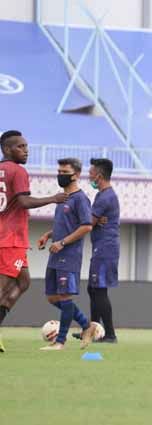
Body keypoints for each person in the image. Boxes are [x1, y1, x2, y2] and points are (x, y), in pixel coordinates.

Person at [0, 130, 68, 352]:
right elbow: (23, 201)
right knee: (3, 288)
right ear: (7, 149)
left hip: (9, 236)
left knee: (23, 282)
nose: (26, 150)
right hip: (10, 238)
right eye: (20, 146)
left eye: (26, 146)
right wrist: (53, 198)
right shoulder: (17, 170)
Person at [37, 158, 96, 350]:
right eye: (59, 172)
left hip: (68, 255)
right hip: (55, 253)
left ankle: (60, 341)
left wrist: (62, 243)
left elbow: (86, 226)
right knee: (52, 297)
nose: (60, 175)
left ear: (76, 175)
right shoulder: (62, 198)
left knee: (64, 297)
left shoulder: (80, 199)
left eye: (64, 172)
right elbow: (66, 225)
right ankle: (87, 326)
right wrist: (48, 235)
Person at [74, 158, 120, 343]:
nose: (89, 177)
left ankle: (109, 334)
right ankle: (92, 331)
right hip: (102, 247)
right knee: (93, 289)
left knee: (99, 290)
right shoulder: (103, 195)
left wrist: (89, 218)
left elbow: (88, 222)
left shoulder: (106, 196)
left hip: (105, 249)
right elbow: (93, 219)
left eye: (91, 174)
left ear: (99, 176)